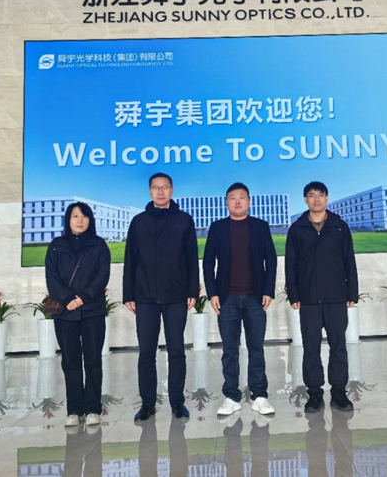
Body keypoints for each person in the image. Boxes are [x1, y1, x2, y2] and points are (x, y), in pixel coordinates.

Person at [123, 172, 199, 422]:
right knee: (146, 351)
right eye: (156, 188)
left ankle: (177, 401)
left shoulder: (184, 220)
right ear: (149, 192)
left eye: (165, 187)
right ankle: (147, 403)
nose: (160, 192)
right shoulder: (139, 222)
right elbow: (131, 259)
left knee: (176, 350)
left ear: (172, 190)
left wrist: (192, 291)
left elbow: (191, 258)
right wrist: (128, 294)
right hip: (145, 296)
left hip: (176, 295)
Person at [202, 182, 277, 417]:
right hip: (227, 299)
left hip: (256, 297)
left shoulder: (260, 226)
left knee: (256, 348)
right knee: (229, 350)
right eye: (232, 197)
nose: (237, 201)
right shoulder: (217, 228)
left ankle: (260, 396)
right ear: (226, 202)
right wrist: (213, 293)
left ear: (249, 201)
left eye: (242, 197)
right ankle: (231, 397)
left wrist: (268, 290)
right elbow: (208, 262)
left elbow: (271, 260)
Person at [285, 181, 358, 413]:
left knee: (338, 345)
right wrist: (294, 294)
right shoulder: (297, 229)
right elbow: (291, 265)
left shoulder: (339, 226)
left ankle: (339, 392)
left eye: (320, 195)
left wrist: (352, 291)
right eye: (311, 195)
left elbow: (349, 260)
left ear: (327, 198)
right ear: (305, 200)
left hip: (336, 297)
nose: (316, 199)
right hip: (308, 298)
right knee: (310, 346)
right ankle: (314, 393)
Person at [45, 202, 111, 427]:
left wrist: (83, 297)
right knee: (70, 361)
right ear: (68, 220)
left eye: (84, 216)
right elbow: (51, 277)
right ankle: (73, 410)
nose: (80, 220)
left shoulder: (99, 244)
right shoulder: (56, 246)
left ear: (90, 220)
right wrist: (67, 299)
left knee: (93, 360)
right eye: (75, 216)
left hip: (92, 311)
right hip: (65, 314)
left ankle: (93, 409)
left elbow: (103, 275)